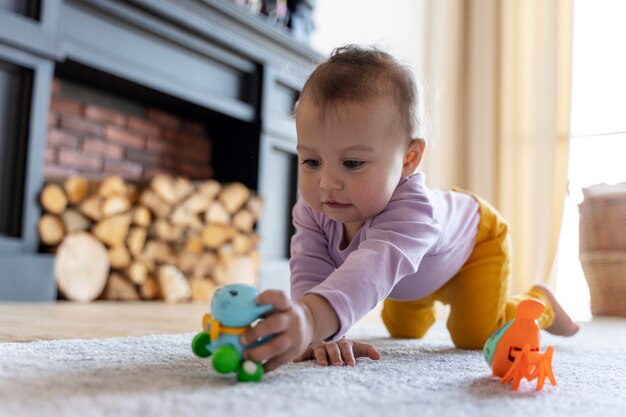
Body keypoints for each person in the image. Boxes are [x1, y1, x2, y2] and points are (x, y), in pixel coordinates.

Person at [240, 45, 579, 372]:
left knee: (475, 335)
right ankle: (427, 300)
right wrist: (317, 331)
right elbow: (311, 267)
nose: (327, 183)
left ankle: (539, 303)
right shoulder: (314, 208)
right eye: (311, 160)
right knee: (404, 331)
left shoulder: (413, 212)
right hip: (413, 273)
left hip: (474, 245)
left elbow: (371, 269)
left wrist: (312, 319)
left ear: (408, 159)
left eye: (353, 162)